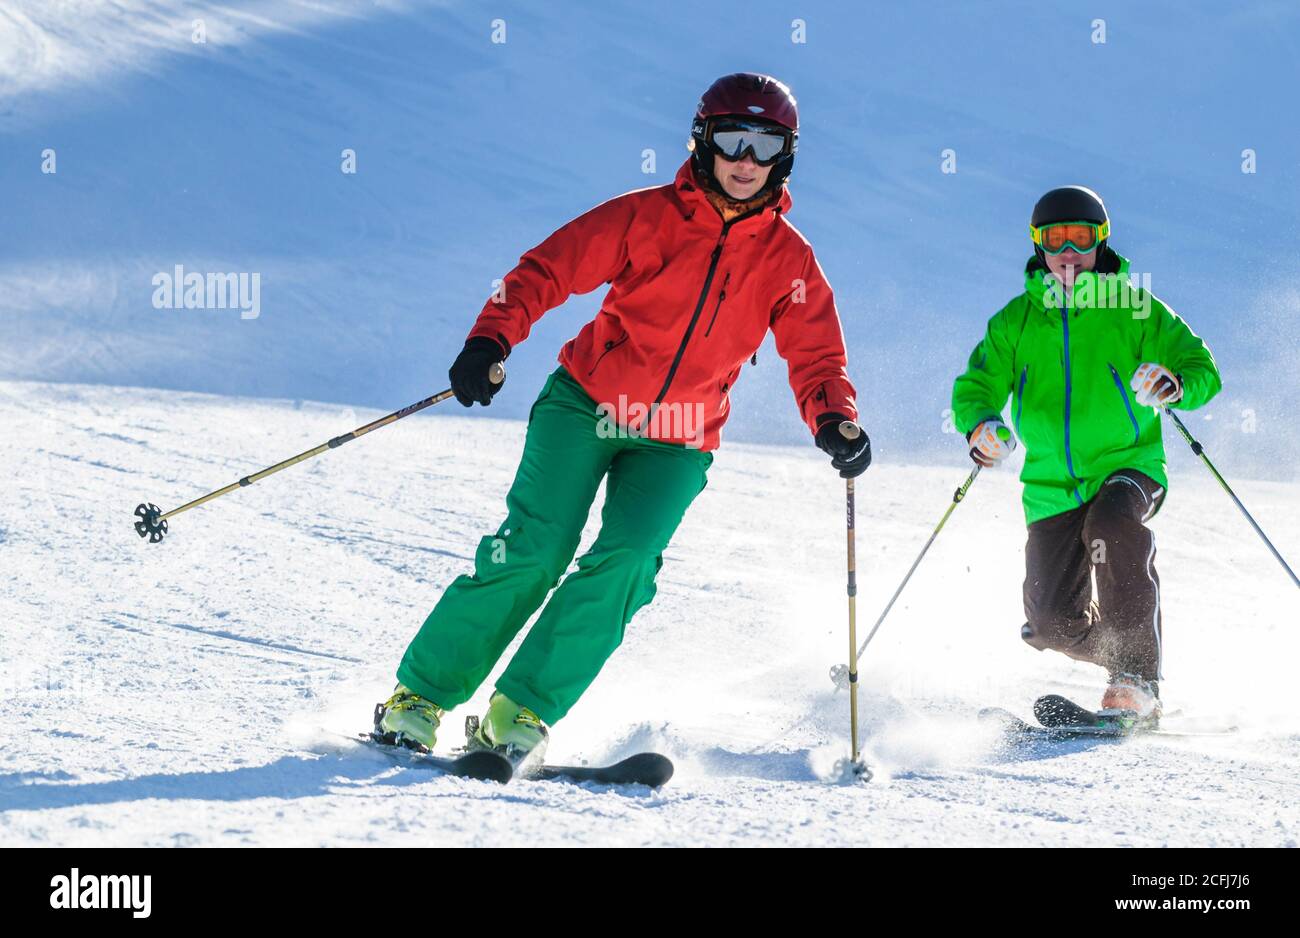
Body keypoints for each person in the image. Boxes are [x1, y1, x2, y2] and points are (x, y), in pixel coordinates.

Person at [375, 73, 870, 760]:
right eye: (733, 138)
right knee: (534, 551)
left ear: (785, 155)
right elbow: (545, 271)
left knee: (629, 563)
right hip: (586, 405)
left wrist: (833, 418)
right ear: (703, 140)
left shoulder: (790, 260)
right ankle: (419, 696)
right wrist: (492, 338)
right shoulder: (644, 216)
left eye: (765, 144)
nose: (746, 159)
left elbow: (816, 355)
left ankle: (519, 712)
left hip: (679, 441)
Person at [951, 186, 1221, 723]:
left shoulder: (1134, 307)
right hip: (1050, 483)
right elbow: (976, 385)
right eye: (1056, 239)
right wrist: (982, 426)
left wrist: (1174, 384)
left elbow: (1200, 367)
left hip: (1129, 465)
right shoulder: (1015, 321)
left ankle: (1137, 678)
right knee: (1050, 622)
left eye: (1081, 238)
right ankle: (1124, 649)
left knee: (1112, 524)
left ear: (1101, 241)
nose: (1068, 252)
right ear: (1038, 244)